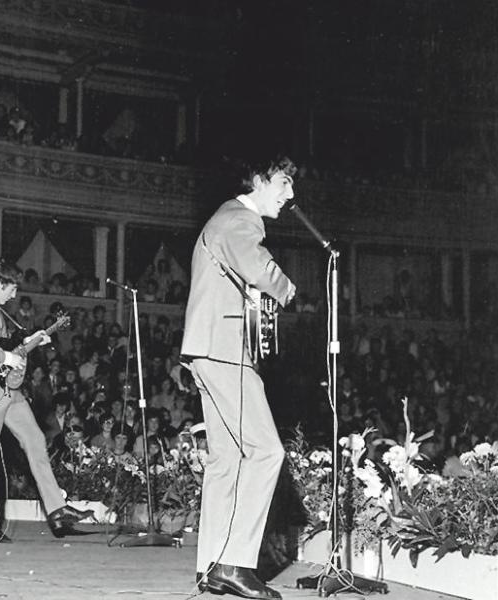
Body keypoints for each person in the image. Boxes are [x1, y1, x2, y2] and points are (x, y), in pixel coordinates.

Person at [181, 155, 297, 600]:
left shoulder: (225, 218)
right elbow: (259, 268)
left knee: (227, 458)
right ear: (261, 179)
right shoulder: (239, 220)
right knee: (267, 452)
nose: (290, 195)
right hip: (225, 351)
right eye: (284, 183)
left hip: (210, 348)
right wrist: (290, 291)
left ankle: (212, 564)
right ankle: (235, 562)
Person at [0, 257, 92, 543]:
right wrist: (6, 356)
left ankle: (56, 510)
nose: (15, 295)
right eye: (12, 288)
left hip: (7, 390)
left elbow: (6, 347)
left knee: (35, 440)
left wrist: (32, 341)